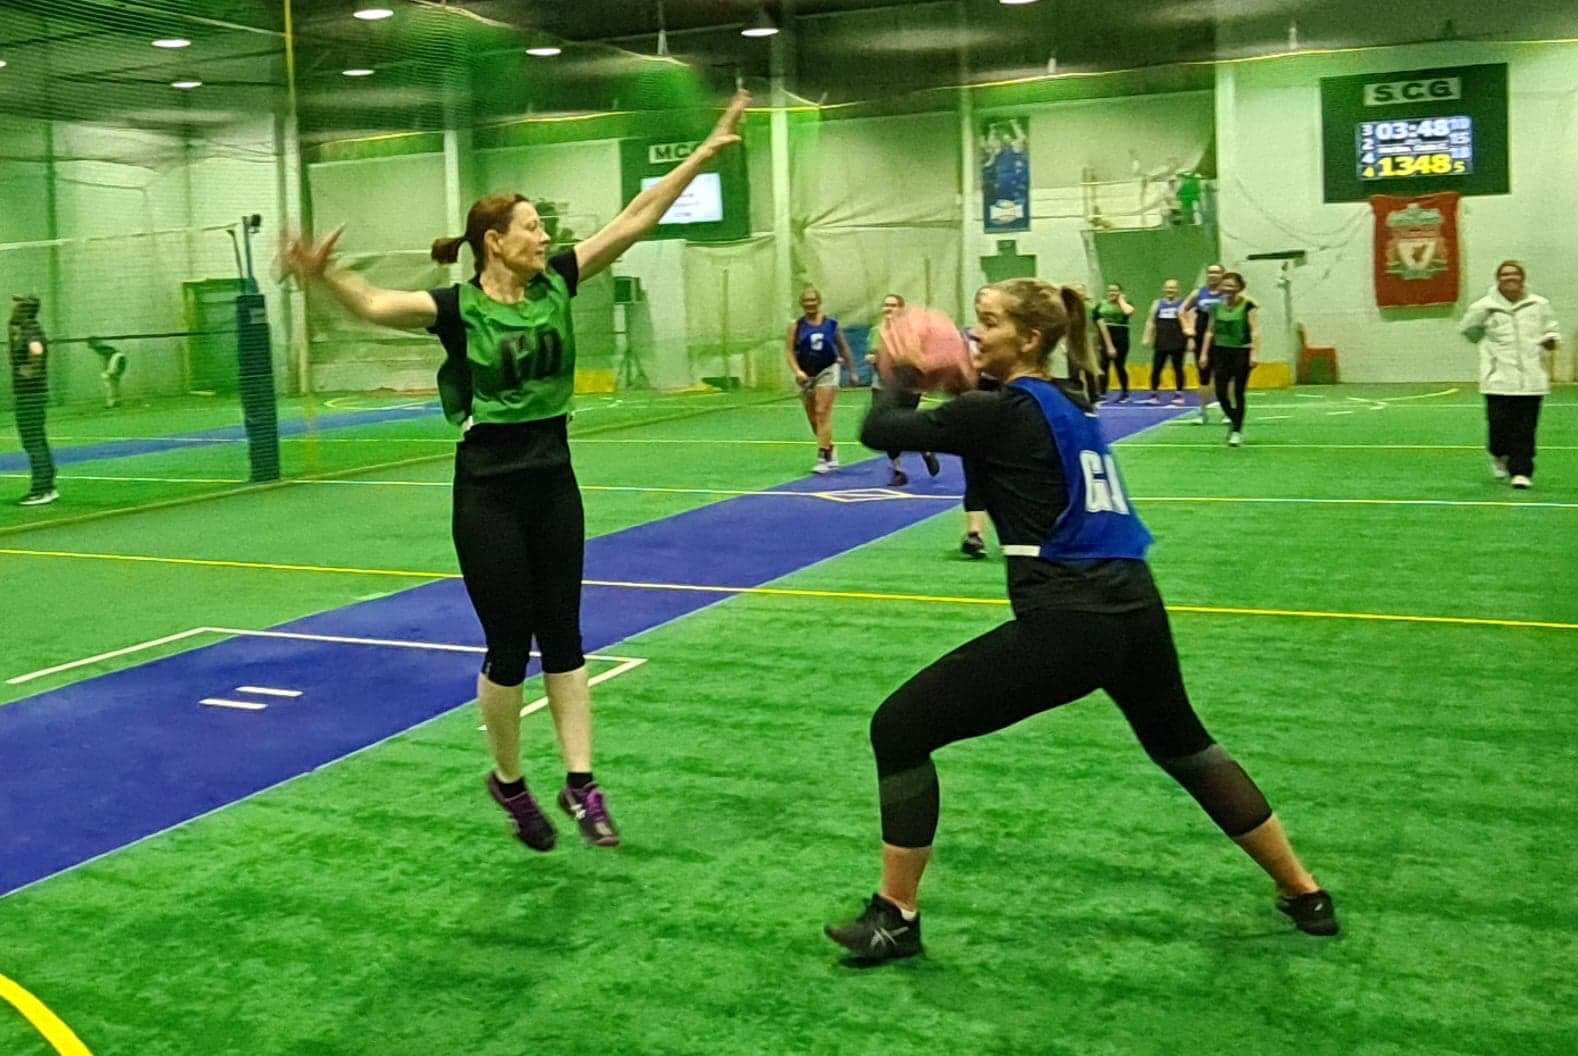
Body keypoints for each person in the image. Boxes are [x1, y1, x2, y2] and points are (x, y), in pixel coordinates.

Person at [282, 92, 751, 853]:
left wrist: (705, 151)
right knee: (509, 648)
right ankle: (508, 782)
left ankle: (581, 782)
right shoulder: (457, 308)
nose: (546, 237)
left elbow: (636, 220)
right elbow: (372, 303)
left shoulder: (560, 281)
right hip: (488, 492)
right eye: (532, 228)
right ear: (495, 242)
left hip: (553, 481)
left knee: (565, 638)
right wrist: (320, 275)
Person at [823, 277, 1337, 964]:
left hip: (1071, 618)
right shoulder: (1071, 397)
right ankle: (1302, 889)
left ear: (1029, 338)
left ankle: (896, 916)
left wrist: (905, 367)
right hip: (1135, 603)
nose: (976, 333)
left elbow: (879, 428)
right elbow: (993, 429)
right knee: (1184, 745)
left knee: (900, 727)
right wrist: (957, 376)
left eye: (988, 322)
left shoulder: (999, 411)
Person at [1460, 261, 1560, 490]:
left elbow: (1551, 328)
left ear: (1522, 278)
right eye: (1505, 274)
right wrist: (1480, 325)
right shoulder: (1484, 307)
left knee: (1526, 429)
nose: (1510, 278)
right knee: (1498, 428)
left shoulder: (1539, 304)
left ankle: (1522, 472)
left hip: (1532, 379)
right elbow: (1469, 332)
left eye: (1514, 274)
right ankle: (1499, 454)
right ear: (1498, 279)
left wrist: (1551, 340)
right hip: (1497, 380)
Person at [867, 294, 940, 487]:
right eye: (886, 305)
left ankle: (925, 449)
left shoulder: (911, 332)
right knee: (886, 427)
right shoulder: (877, 330)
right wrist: (874, 358)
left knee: (905, 424)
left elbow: (918, 358)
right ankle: (898, 470)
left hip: (907, 385)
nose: (888, 309)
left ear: (901, 309)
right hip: (883, 385)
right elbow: (874, 352)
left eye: (893, 305)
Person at [786, 286, 858, 475]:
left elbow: (843, 348)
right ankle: (830, 448)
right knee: (813, 418)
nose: (810, 304)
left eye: (813, 300)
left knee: (822, 411)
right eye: (806, 301)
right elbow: (789, 352)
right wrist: (797, 371)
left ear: (819, 301)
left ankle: (822, 456)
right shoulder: (797, 326)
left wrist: (852, 371)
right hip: (806, 374)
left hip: (827, 369)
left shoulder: (831, 324)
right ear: (802, 304)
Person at [1198, 272, 1259, 448]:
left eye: (1232, 285)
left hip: (1241, 351)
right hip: (1220, 351)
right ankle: (1234, 419)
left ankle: (1237, 431)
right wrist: (1203, 353)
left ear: (1239, 287)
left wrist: (1254, 354)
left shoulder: (1248, 305)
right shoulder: (1216, 307)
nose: (1228, 289)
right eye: (1225, 285)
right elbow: (1210, 331)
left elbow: (1255, 330)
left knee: (1238, 392)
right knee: (1220, 392)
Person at [8, 294, 57, 507]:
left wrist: (30, 372)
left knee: (32, 440)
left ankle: (41, 489)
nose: (13, 311)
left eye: (17, 308)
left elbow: (36, 350)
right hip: (30, 394)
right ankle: (48, 485)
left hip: (30, 395)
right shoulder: (24, 330)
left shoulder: (31, 330)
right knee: (37, 439)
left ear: (26, 310)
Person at [1180, 264, 1227, 423]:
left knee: (1223, 376)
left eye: (1217, 272)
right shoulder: (1199, 293)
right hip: (1201, 338)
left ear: (1223, 274)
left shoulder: (1227, 293)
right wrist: (1187, 328)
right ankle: (1202, 412)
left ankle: (1226, 412)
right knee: (1203, 376)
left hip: (1223, 337)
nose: (1213, 275)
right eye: (1210, 272)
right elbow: (1182, 310)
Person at [1142, 279, 1189, 405]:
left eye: (1173, 288)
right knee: (1156, 368)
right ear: (1164, 289)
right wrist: (1147, 337)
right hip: (1161, 341)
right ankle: (1153, 394)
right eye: (1168, 288)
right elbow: (1150, 321)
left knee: (1178, 368)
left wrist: (1190, 340)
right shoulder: (1157, 304)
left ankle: (1179, 394)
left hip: (1178, 341)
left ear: (1178, 290)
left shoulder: (1183, 304)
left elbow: (1188, 321)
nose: (1170, 290)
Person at [1093, 283, 1136, 403]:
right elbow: (1095, 320)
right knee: (1103, 366)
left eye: (1115, 291)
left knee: (1120, 366)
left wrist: (1121, 300)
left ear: (1120, 292)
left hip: (1121, 336)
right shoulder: (1101, 304)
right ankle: (1102, 393)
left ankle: (1125, 393)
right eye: (1110, 291)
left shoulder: (1126, 303)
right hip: (1104, 336)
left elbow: (1128, 312)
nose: (1112, 293)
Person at [89, 337, 127, 409]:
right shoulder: (103, 347)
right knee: (114, 381)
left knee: (107, 378)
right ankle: (117, 401)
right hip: (120, 357)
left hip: (116, 358)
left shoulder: (98, 348)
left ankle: (111, 403)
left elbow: (106, 358)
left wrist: (106, 369)